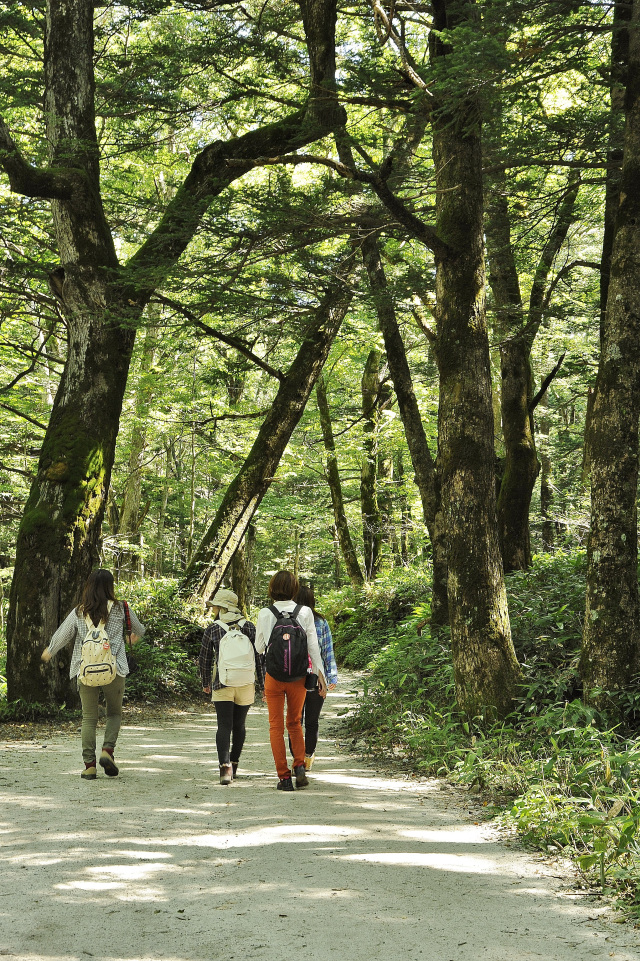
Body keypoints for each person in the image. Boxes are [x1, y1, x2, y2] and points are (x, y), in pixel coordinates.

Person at [40, 568, 145, 780]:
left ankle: (89, 766)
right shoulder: (121, 608)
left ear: (88, 587)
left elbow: (63, 634)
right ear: (110, 587)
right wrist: (133, 637)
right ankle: (107, 751)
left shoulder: (79, 612)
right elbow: (139, 630)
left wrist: (50, 651)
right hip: (114, 669)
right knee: (114, 714)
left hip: (85, 669)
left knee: (88, 718)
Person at [255, 570, 326, 792]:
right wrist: (321, 675)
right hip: (299, 676)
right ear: (294, 589)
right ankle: (300, 766)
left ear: (272, 588)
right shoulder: (304, 612)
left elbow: (259, 648)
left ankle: (284, 778)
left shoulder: (265, 613)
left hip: (274, 677)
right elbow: (313, 647)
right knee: (295, 723)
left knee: (276, 726)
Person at [198, 588, 264, 785]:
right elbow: (259, 658)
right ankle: (234, 763)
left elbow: (204, 659)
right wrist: (263, 685)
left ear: (222, 607)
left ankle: (225, 769)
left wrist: (206, 682)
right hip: (246, 683)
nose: (213, 609)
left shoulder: (213, 629)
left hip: (222, 683)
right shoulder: (249, 627)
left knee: (224, 725)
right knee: (239, 725)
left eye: (215, 606)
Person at [294, 584, 338, 771]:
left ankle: (297, 760)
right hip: (316, 677)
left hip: (294, 677)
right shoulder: (320, 622)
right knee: (312, 722)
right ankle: (308, 758)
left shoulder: (289, 620)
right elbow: (327, 651)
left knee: (295, 721)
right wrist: (331, 677)